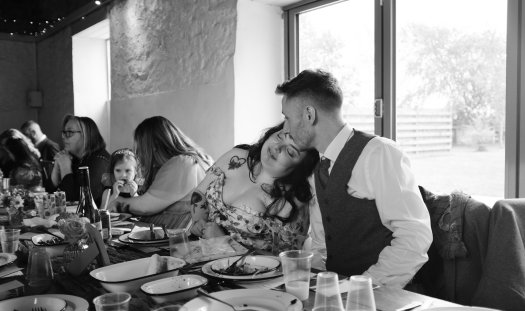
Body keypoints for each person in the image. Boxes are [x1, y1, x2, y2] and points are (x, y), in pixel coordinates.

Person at [276, 69, 432, 287]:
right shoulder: (317, 167)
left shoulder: (379, 153)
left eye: (287, 117)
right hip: (336, 296)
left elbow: (415, 238)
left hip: (383, 300)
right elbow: (322, 243)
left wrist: (362, 287)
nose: (285, 127)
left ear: (309, 115)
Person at [190, 122, 319, 252]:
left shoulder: (294, 201)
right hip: (196, 257)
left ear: (300, 167)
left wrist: (223, 242)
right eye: (280, 137)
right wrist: (199, 221)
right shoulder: (237, 156)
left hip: (237, 270)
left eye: (290, 151)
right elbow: (200, 193)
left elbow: (286, 260)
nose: (277, 148)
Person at [108, 116, 212, 228]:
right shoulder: (198, 159)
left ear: (154, 146)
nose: (141, 155)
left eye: (142, 148)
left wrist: (117, 202)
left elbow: (146, 207)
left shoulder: (182, 162)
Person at [51, 115, 110, 206]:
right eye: (64, 132)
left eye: (70, 132)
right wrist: (55, 172)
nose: (64, 137)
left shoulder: (99, 161)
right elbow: (50, 199)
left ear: (87, 135)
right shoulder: (75, 159)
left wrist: (66, 169)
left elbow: (78, 203)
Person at [20, 120, 60, 192]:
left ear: (33, 133)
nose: (24, 139)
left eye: (25, 135)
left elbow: (57, 171)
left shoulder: (51, 146)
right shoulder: (35, 148)